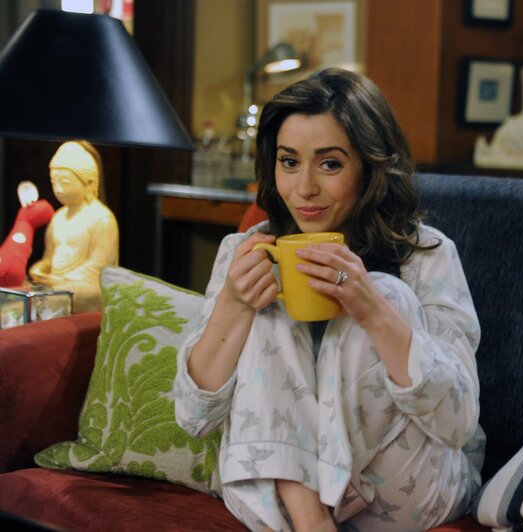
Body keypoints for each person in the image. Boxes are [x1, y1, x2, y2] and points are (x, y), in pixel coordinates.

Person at [173, 68, 483, 532]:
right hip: (277, 493)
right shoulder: (247, 253)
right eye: (289, 162)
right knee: (270, 301)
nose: (304, 189)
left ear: (370, 168)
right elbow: (193, 417)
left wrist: (371, 308)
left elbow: (456, 423)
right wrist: (235, 305)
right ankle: (311, 518)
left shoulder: (427, 256)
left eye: (330, 164)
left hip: (402, 490)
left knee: (387, 291)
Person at [28, 140, 119, 312]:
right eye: (54, 182)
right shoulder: (58, 217)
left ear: (89, 183)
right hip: (56, 283)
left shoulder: (102, 218)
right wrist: (40, 269)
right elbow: (49, 259)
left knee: (76, 293)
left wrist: (61, 280)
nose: (58, 189)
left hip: (85, 285)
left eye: (65, 182)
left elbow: (99, 267)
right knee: (31, 289)